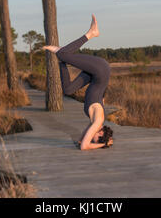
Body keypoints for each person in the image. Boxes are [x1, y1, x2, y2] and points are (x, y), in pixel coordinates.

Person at [43, 14, 114, 151]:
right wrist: (103, 144)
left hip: (95, 76)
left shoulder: (95, 123)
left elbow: (82, 140)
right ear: (99, 133)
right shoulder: (98, 121)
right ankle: (91, 33)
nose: (90, 136)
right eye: (94, 137)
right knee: (63, 53)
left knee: (68, 90)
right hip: (101, 70)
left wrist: (98, 141)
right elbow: (84, 146)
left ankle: (61, 59)